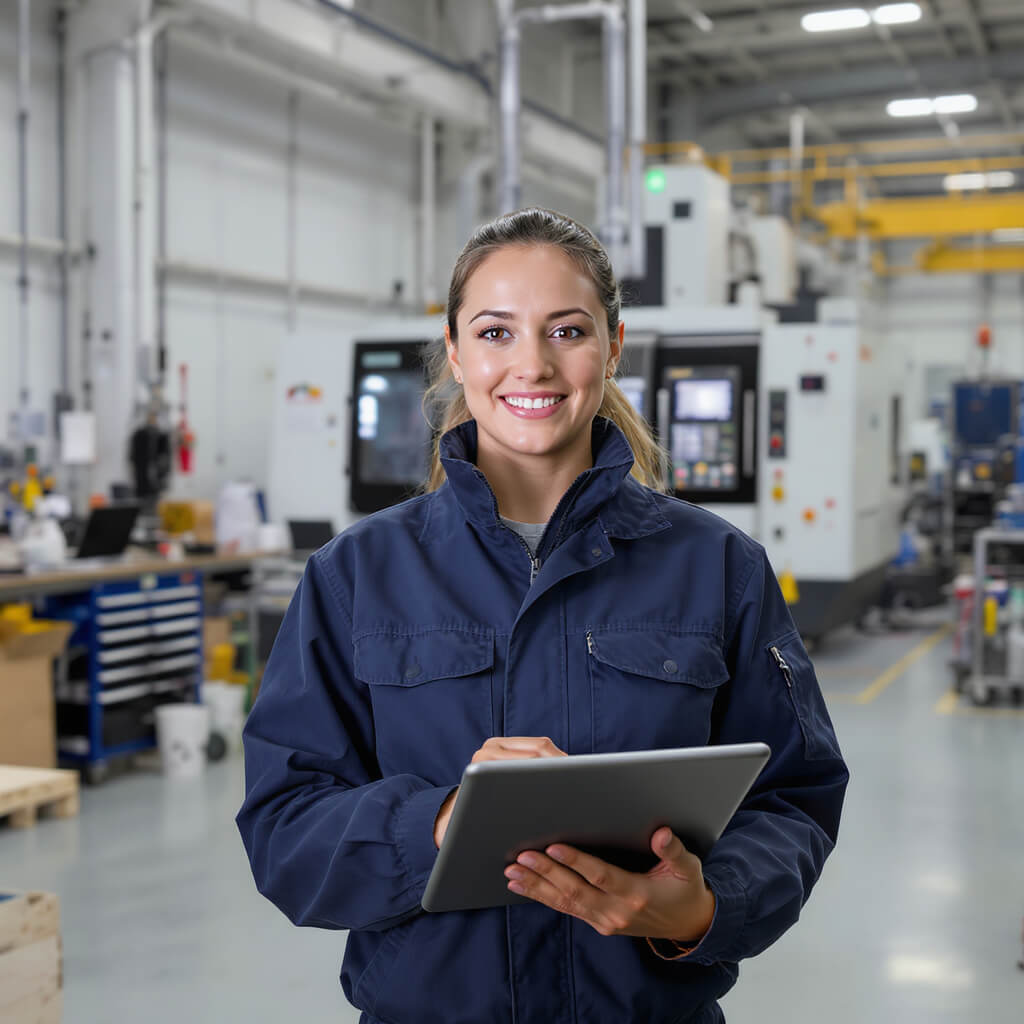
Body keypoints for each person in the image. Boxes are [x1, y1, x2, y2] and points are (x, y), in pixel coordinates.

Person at [237, 208, 849, 1024]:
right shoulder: (355, 577)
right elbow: (284, 828)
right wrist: (439, 820)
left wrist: (705, 908)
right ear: (456, 351)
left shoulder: (718, 568)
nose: (532, 364)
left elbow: (795, 796)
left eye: (567, 330)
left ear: (614, 346)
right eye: (496, 333)